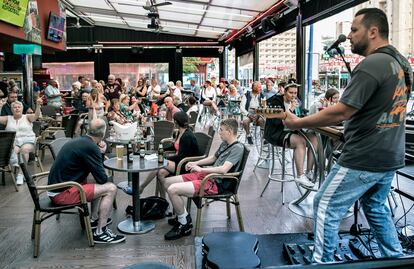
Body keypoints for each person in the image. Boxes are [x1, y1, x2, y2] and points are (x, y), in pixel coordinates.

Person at [283, 8, 410, 263]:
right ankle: (395, 259)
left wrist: (298, 121)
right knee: (375, 208)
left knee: (325, 206)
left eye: (354, 30)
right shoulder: (399, 62)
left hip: (364, 156)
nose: (349, 36)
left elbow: (341, 111)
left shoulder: (372, 64)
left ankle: (323, 263)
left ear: (373, 32)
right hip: (389, 154)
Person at [161, 118, 244, 240]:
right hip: (207, 177)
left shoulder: (238, 148)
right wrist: (196, 163)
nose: (219, 132)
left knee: (173, 189)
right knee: (167, 182)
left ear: (230, 131)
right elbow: (212, 158)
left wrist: (201, 169)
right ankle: (182, 215)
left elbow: (223, 170)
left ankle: (184, 223)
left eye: (221, 130)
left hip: (216, 183)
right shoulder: (226, 143)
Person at [48, 118, 126, 244]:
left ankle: (94, 219)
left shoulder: (81, 141)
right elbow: (102, 178)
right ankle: (101, 232)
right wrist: (102, 152)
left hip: (57, 188)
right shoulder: (91, 147)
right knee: (111, 188)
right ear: (102, 134)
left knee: (93, 178)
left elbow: (97, 175)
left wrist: (98, 153)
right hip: (62, 193)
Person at [264, 83, 318, 188]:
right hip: (275, 133)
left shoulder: (296, 102)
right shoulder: (275, 101)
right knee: (300, 142)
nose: (293, 95)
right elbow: (276, 121)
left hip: (291, 130)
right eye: (291, 93)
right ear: (284, 91)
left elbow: (299, 117)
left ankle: (309, 171)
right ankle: (300, 175)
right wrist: (291, 110)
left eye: (295, 93)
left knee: (314, 139)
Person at [139, 111, 200, 195]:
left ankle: (141, 187)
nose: (173, 122)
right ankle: (163, 199)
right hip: (179, 161)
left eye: (174, 120)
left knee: (158, 164)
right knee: (160, 173)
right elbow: (175, 146)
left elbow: (181, 156)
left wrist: (165, 159)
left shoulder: (187, 136)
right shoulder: (180, 132)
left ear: (177, 122)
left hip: (185, 164)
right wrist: (161, 151)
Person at [0, 98, 42, 185]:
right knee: (14, 151)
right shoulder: (8, 118)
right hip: (14, 142)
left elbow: (36, 116)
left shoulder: (27, 117)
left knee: (24, 150)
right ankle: (19, 169)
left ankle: (20, 174)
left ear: (22, 109)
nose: (17, 108)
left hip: (28, 140)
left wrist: (38, 105)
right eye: (15, 107)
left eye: (19, 107)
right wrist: (0, 106)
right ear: (12, 110)